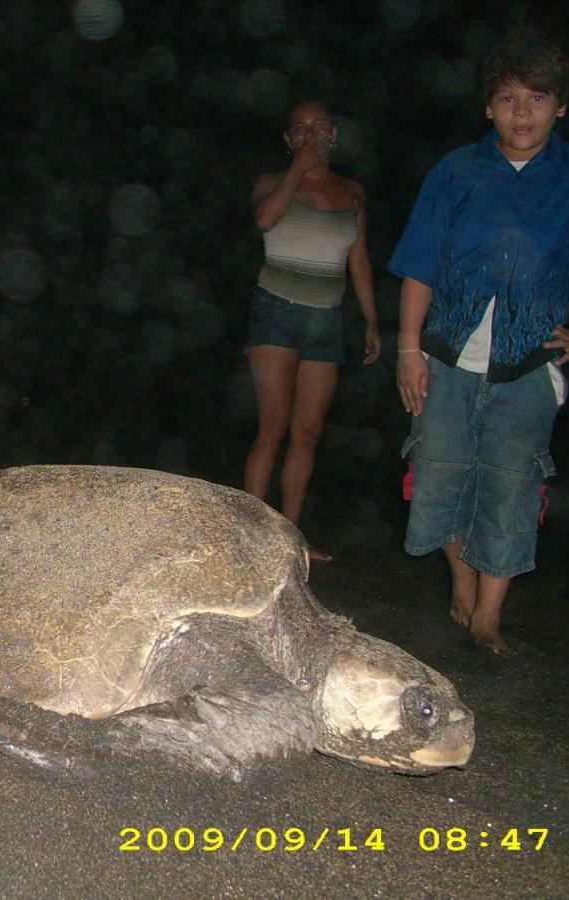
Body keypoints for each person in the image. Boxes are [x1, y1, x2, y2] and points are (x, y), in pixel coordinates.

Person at [390, 30, 569, 654]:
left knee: (511, 481)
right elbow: (420, 264)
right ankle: (462, 584)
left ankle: (488, 617)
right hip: (446, 353)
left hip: (532, 362)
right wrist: (408, 349)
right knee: (438, 473)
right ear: (489, 106)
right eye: (509, 98)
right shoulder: (456, 171)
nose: (522, 112)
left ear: (560, 107)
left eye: (537, 98)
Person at [244, 100, 381, 561]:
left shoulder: (353, 193)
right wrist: (297, 170)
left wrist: (371, 322)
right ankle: (251, 538)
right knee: (273, 427)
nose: (309, 135)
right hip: (276, 311)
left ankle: (290, 539)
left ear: (333, 135)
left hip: (326, 318)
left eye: (317, 127)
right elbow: (264, 220)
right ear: (288, 140)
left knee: (307, 433)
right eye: (298, 129)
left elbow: (358, 260)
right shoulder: (271, 183)